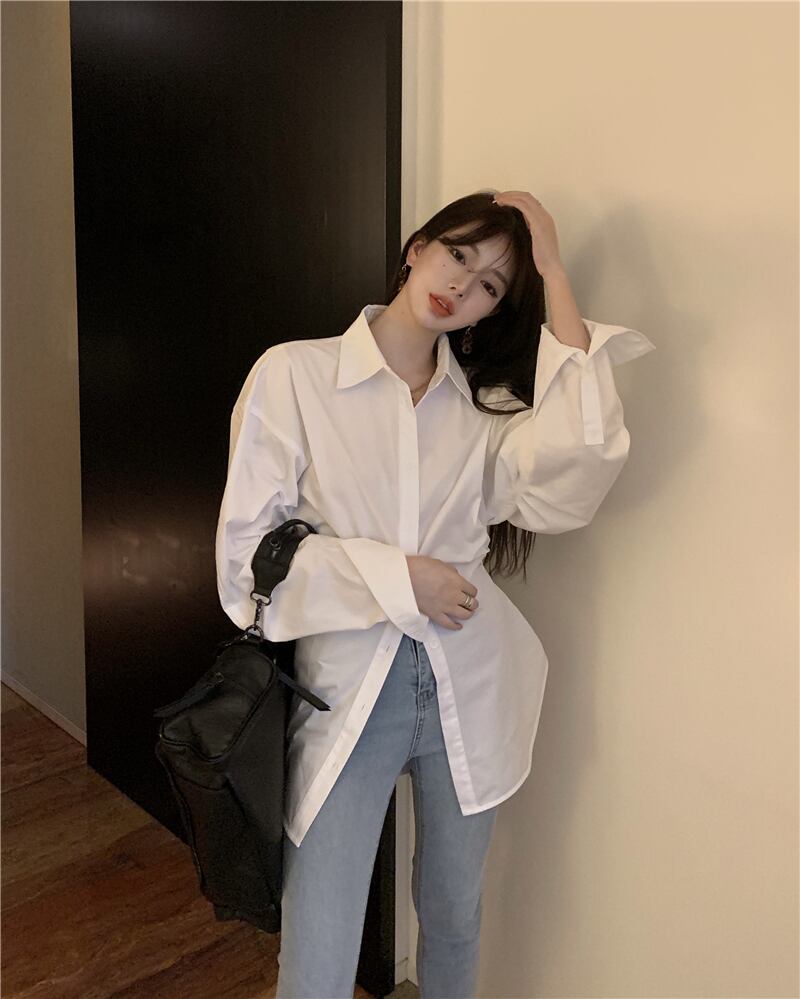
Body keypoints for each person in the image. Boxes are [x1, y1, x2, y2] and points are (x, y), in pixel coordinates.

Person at [215, 189, 656, 997]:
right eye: (459, 254)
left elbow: (577, 468)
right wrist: (404, 577)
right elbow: (247, 569)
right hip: (348, 695)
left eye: (491, 284)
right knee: (320, 951)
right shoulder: (294, 376)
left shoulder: (482, 414)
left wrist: (554, 272)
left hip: (469, 687)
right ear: (417, 247)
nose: (463, 284)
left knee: (453, 922)